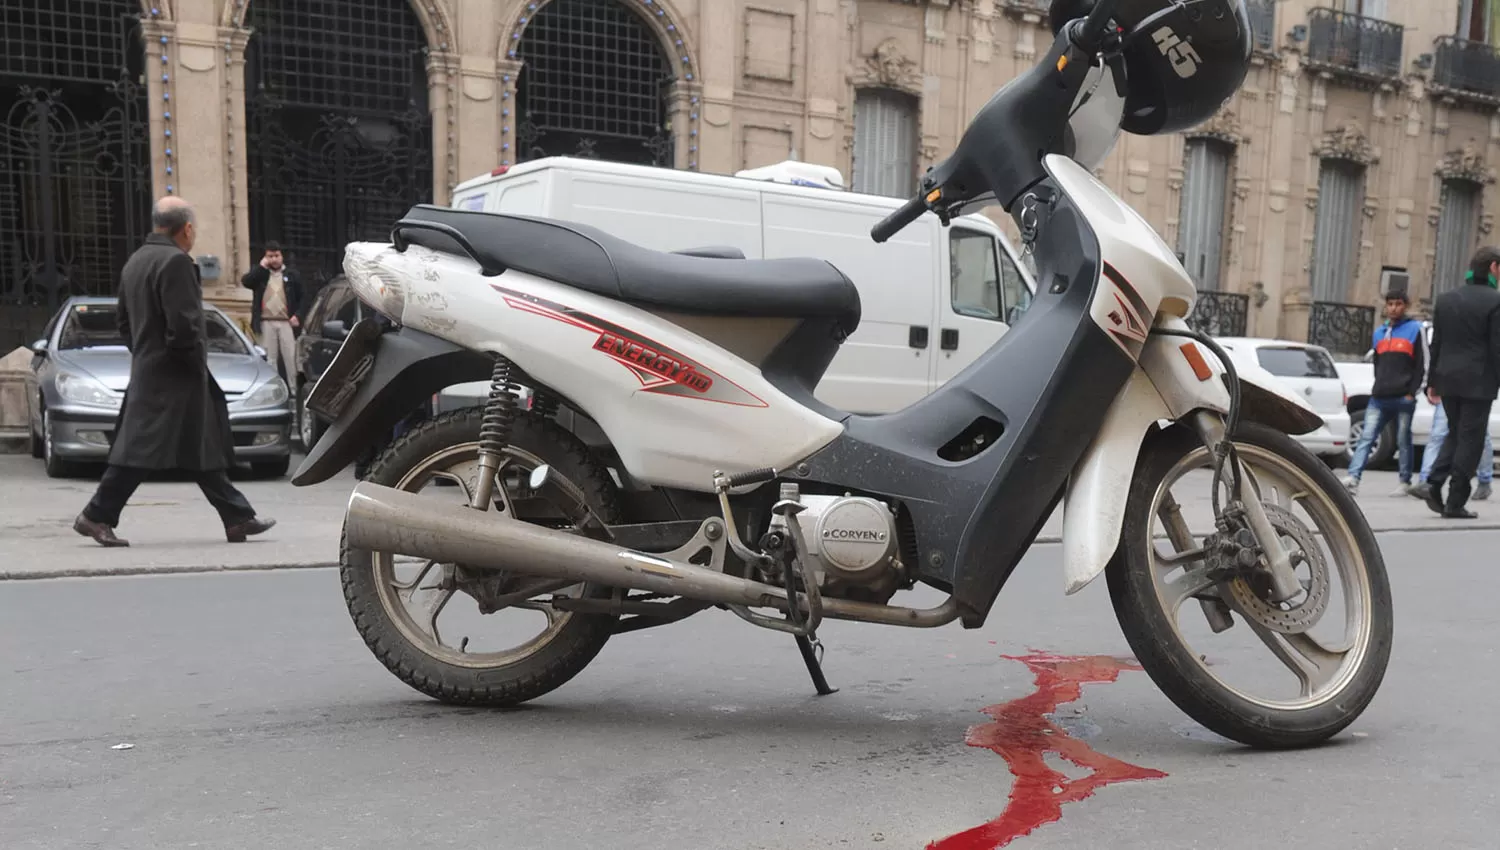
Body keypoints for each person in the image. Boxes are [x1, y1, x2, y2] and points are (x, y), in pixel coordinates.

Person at [72, 197, 276, 547]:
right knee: (139, 450)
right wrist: (184, 359)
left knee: (199, 447)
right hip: (175, 374)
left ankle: (238, 517)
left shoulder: (135, 261)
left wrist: (146, 352)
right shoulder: (176, 262)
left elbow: (123, 322)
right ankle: (95, 515)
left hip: (153, 369)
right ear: (187, 229)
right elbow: (183, 325)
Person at [1424, 246, 1500, 519]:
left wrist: (1431, 381)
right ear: (1493, 267)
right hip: (1478, 382)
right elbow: (1496, 347)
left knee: (1456, 434)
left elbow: (1437, 344)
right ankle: (1456, 501)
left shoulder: (1446, 299)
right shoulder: (1495, 301)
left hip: (1447, 379)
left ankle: (1432, 482)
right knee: (1471, 440)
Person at [1343, 290, 1425, 496]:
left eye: (1398, 304)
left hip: (1403, 395)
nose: (1393, 308)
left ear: (1405, 305)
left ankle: (1404, 481)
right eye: (1390, 304)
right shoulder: (1380, 333)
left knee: (1403, 439)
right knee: (1367, 436)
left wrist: (1412, 392)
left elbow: (1422, 364)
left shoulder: (1415, 329)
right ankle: (1354, 477)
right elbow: (1378, 364)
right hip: (1380, 395)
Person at [240, 240, 304, 399]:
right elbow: (246, 281)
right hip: (265, 321)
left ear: (282, 256)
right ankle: (273, 394)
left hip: (286, 322)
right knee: (269, 359)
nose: (274, 259)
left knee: (291, 358)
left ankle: (295, 392)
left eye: (276, 255)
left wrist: (298, 315)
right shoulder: (260, 275)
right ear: (265, 256)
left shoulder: (292, 275)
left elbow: (303, 297)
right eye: (270, 256)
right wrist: (261, 267)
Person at [1411, 400, 1493, 502]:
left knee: (1478, 436)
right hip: (1453, 391)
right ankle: (1427, 481)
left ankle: (1484, 480)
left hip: (1475, 392)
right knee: (1440, 435)